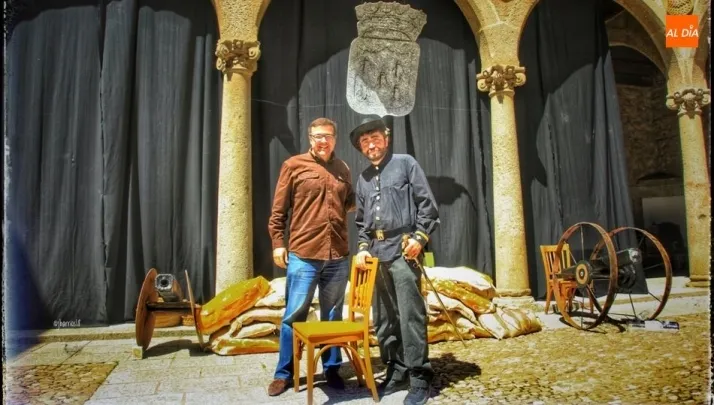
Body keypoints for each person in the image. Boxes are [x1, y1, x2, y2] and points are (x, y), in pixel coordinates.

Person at [351, 116, 439, 405]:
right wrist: (363, 247)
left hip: (403, 250)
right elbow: (361, 222)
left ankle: (419, 376)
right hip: (377, 254)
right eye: (365, 142)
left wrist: (419, 238)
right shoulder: (363, 178)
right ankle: (396, 368)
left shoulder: (405, 163)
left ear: (386, 139)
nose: (371, 145)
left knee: (410, 314)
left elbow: (427, 205)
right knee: (385, 316)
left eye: (375, 138)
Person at [267, 117, 355, 396]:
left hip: (338, 255)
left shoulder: (343, 169)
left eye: (328, 136)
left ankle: (332, 369)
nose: (323, 141)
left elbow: (351, 203)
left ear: (335, 139)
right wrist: (278, 243)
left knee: (333, 315)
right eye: (318, 136)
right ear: (310, 139)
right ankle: (284, 374)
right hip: (304, 254)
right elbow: (278, 210)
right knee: (294, 316)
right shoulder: (293, 166)